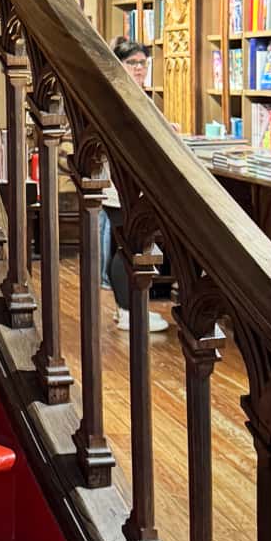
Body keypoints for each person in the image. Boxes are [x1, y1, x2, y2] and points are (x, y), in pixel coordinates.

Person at [104, 38, 168, 333]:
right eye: (133, 63)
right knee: (130, 247)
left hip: (133, 182)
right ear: (119, 65)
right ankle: (128, 311)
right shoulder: (117, 95)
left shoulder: (137, 94)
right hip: (120, 184)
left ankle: (127, 309)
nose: (140, 68)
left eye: (143, 62)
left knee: (131, 246)